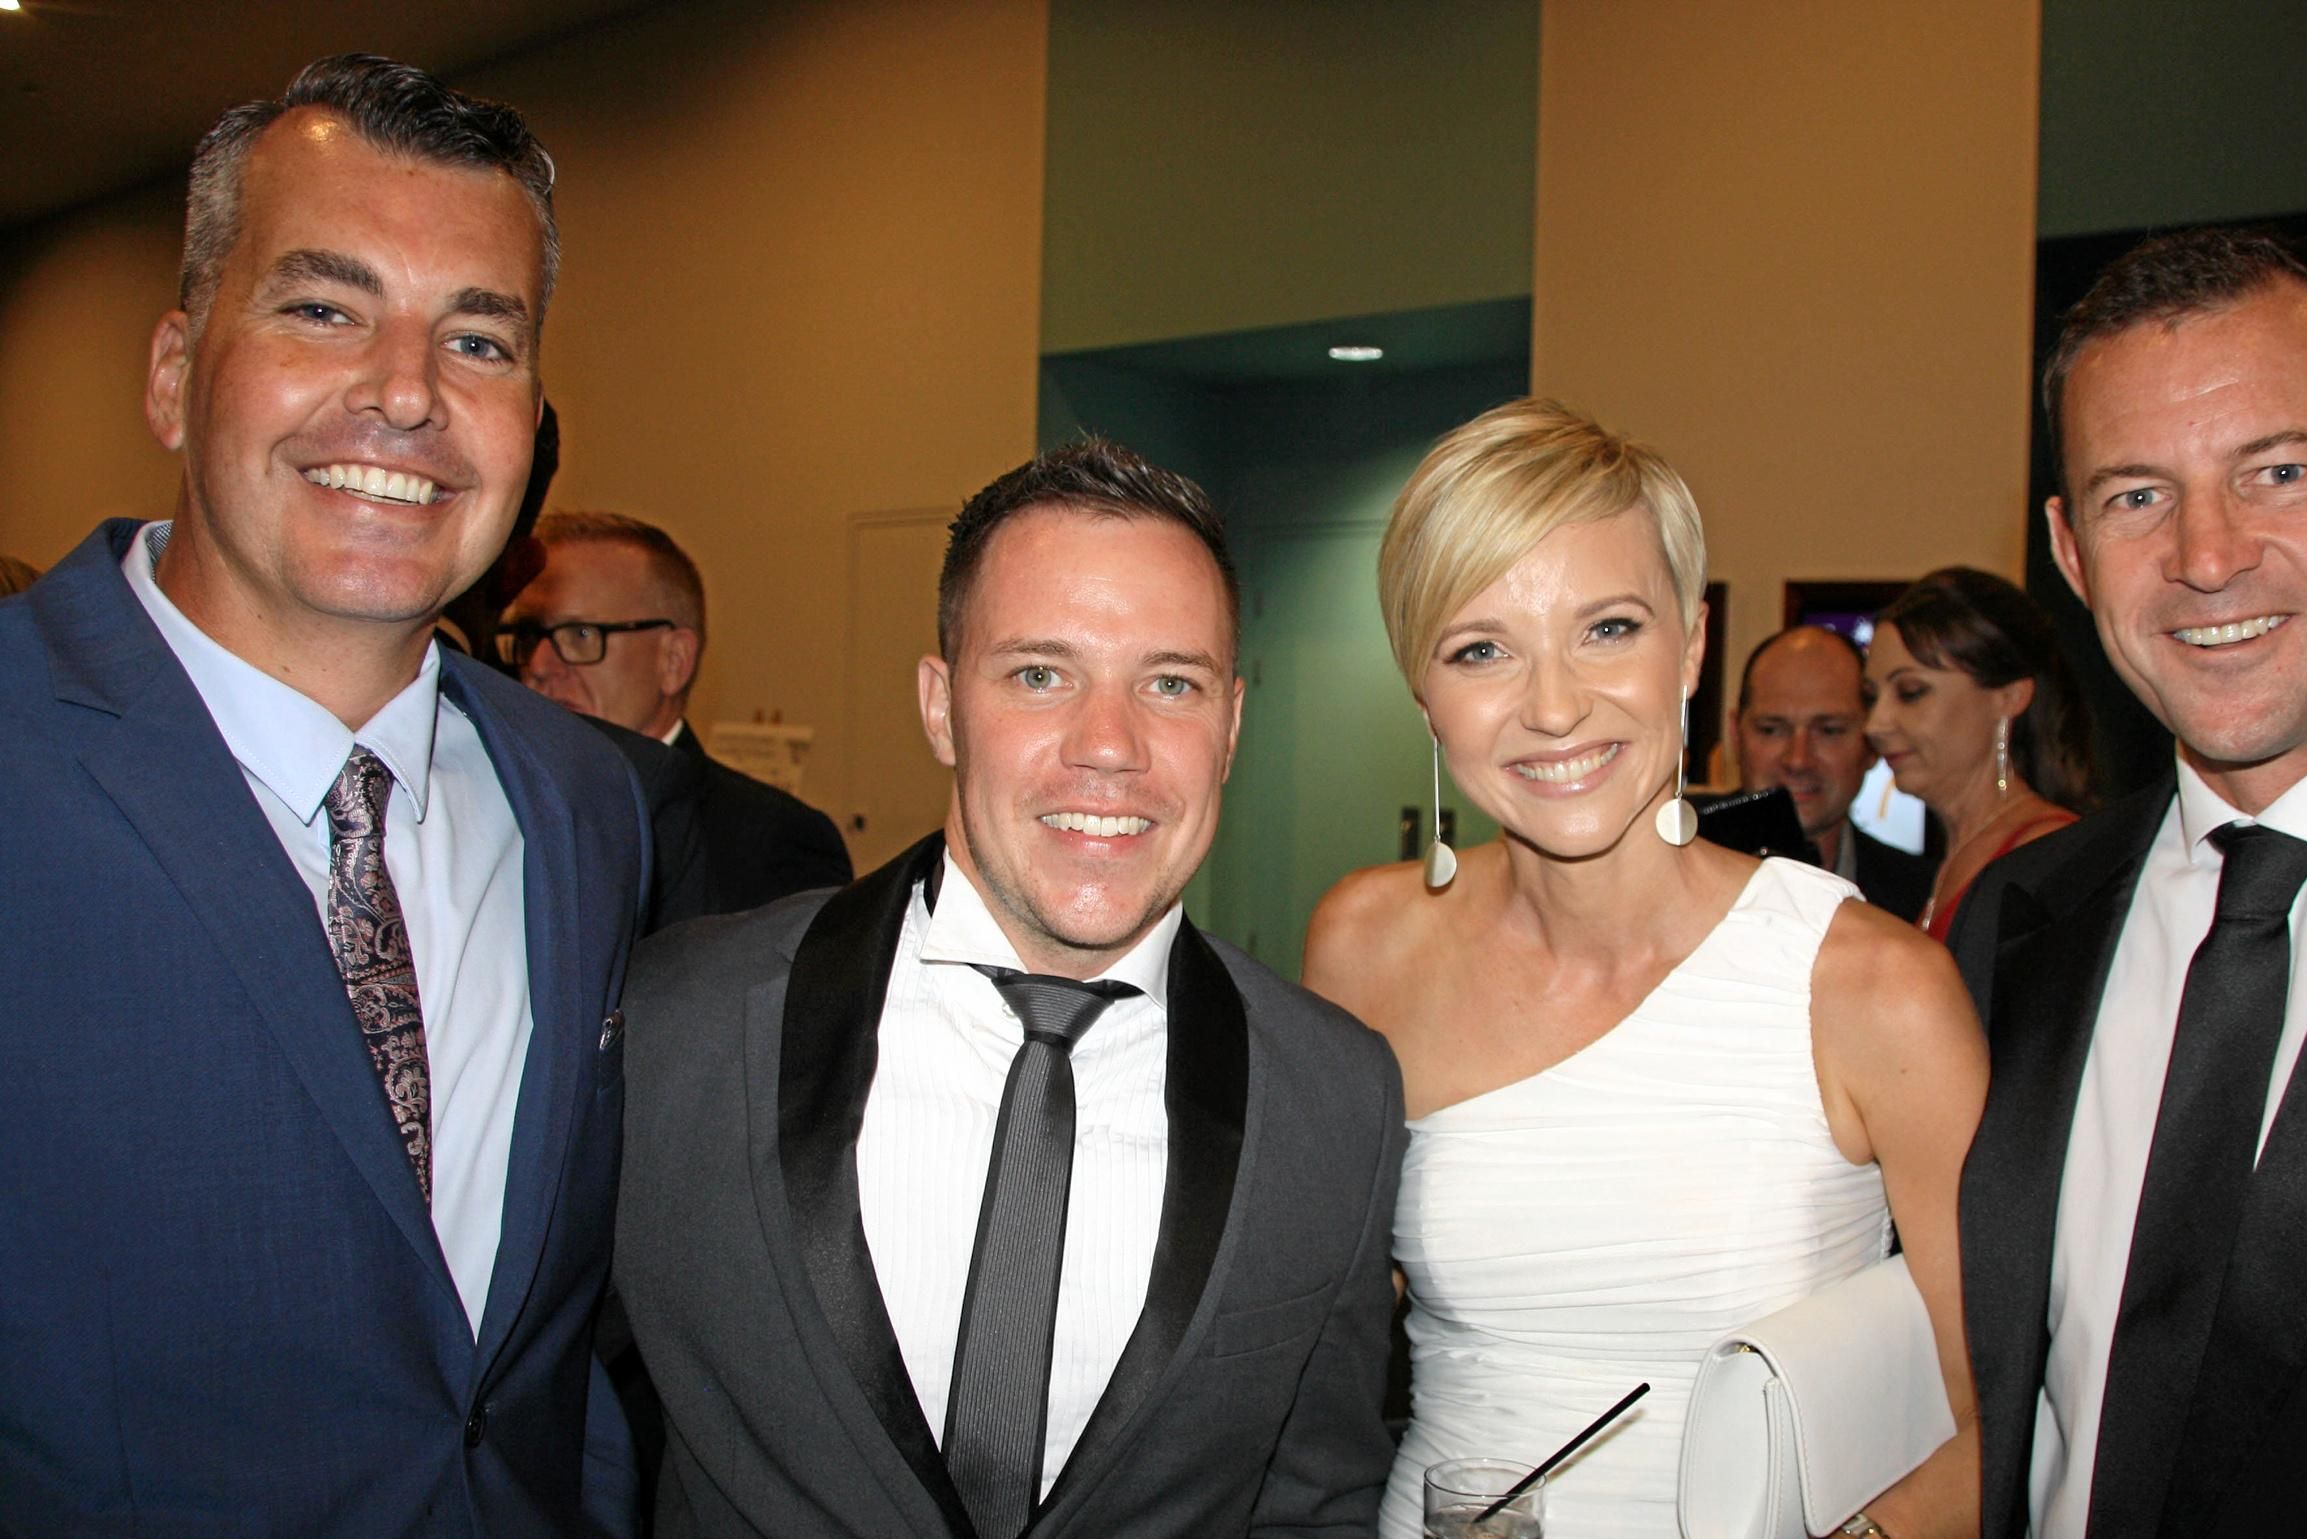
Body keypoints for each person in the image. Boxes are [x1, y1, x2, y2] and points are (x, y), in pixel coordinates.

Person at [0, 56, 645, 1536]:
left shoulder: (583, 804)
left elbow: (547, 1347)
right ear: (175, 372)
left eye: (479, 340)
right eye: (322, 308)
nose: (407, 393)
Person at [614, 439, 1404, 1538]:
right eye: (1041, 674)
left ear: (1230, 725)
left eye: (1169, 684)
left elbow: (1314, 1503)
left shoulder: (1334, 1099)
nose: (1109, 747)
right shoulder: (675, 1025)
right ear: (942, 706)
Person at [1306, 398, 1986, 1539]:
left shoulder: (1871, 989)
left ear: (1693, 645)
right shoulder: (1368, 945)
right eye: (1483, 649)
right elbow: (1313, 1345)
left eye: (1608, 628)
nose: (1556, 705)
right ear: (1423, 691)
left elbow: (2006, 1411)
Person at [1950, 227, 2307, 1537]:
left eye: (2277, 470)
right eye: (2137, 494)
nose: (2208, 557)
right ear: (2073, 549)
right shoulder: (2020, 924)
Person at [500, 509, 853, 920]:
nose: (541, 665)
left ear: (674, 660)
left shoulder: (773, 839)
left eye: (581, 635)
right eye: (529, 636)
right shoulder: (495, 806)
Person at [1864, 567, 2095, 940]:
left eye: (1910, 692)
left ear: (2009, 697)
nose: (1875, 724)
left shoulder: (2047, 856)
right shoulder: (1954, 858)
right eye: (1872, 697)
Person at [1736, 623, 1937, 918]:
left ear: (1870, 745)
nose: (1798, 760)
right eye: (1772, 730)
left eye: (1829, 731)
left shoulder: (1922, 900)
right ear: (1735, 735)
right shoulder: (1668, 871)